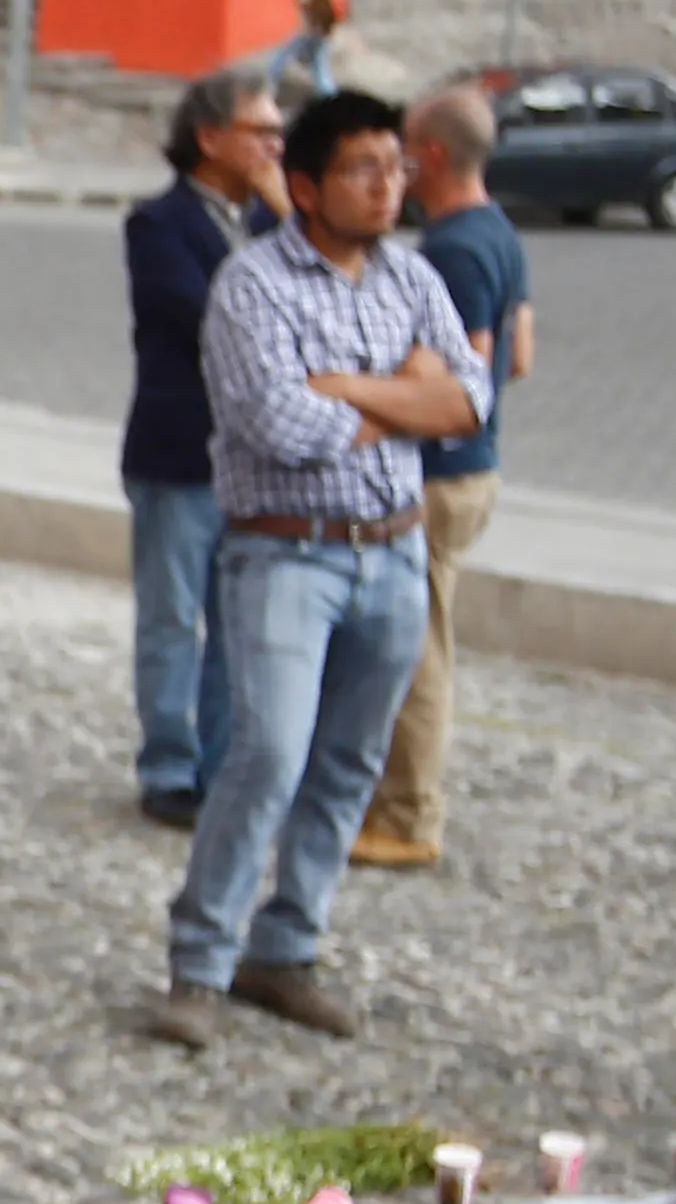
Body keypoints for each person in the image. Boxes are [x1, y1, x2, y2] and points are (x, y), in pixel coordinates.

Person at [152, 89, 481, 1051]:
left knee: (349, 763)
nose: (388, 185)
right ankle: (199, 963)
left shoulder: (413, 280)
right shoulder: (252, 286)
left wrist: (351, 392)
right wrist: (404, 396)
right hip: (286, 550)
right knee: (268, 754)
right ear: (304, 185)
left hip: (395, 546)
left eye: (396, 166)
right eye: (362, 168)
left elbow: (470, 400)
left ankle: (285, 948)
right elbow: (279, 426)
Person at [355, 81, 532, 870]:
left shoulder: (453, 250)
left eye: (400, 152)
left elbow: (472, 371)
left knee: (417, 647)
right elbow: (521, 356)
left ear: (430, 156)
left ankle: (406, 815)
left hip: (438, 473)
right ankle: (389, 796)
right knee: (419, 636)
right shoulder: (499, 233)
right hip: (477, 471)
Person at [122, 71, 281, 826]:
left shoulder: (273, 229)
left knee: (239, 621)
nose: (274, 148)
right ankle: (169, 765)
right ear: (210, 138)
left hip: (252, 461)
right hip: (178, 452)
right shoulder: (159, 224)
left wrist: (291, 225)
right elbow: (211, 319)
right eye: (261, 132)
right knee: (173, 616)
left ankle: (223, 761)